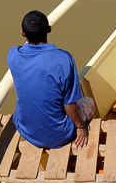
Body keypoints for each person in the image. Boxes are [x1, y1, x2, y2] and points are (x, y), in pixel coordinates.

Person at [8, 10, 95, 149]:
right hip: (60, 135)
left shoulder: (13, 55)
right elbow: (69, 105)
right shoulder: (64, 59)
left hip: (26, 130)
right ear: (49, 29)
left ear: (22, 33)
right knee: (89, 102)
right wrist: (80, 127)